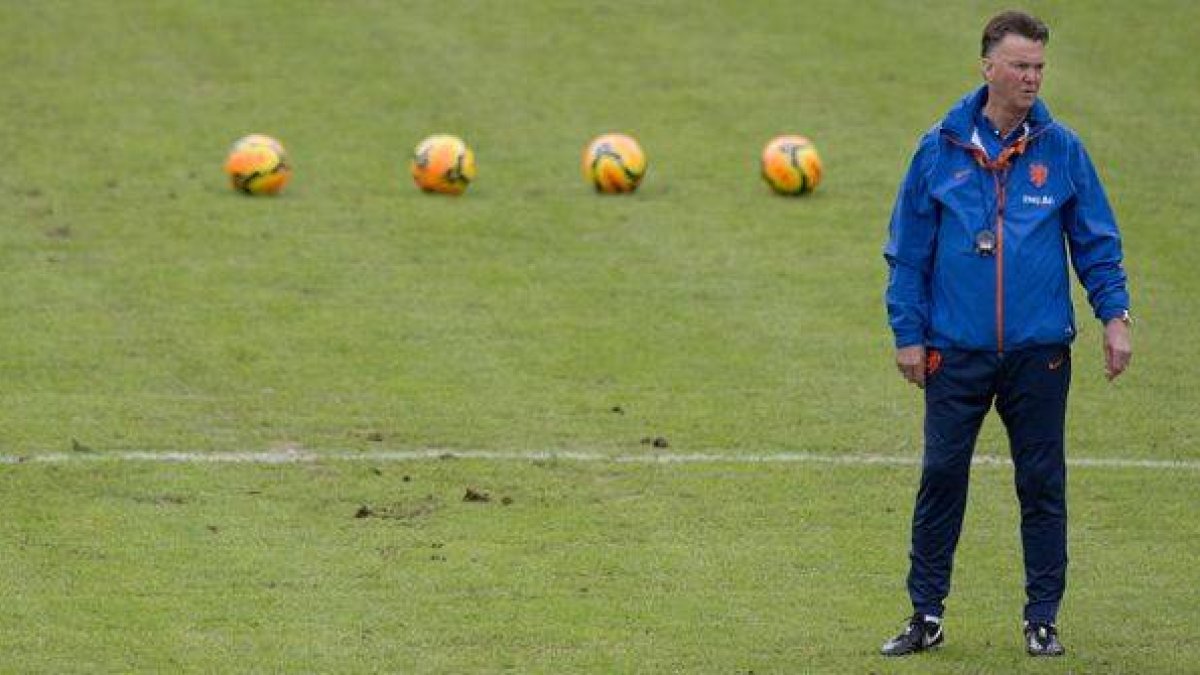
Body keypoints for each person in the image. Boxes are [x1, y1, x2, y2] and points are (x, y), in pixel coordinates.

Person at [879, 10, 1132, 658]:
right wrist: (908, 334)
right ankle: (925, 614)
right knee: (941, 476)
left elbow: (1096, 243)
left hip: (1038, 352)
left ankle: (1042, 617)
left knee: (1041, 482)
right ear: (987, 66)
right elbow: (908, 252)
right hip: (953, 350)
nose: (1031, 78)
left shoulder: (1062, 150)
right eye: (1021, 65)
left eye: (1040, 67)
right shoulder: (938, 148)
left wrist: (1114, 316)